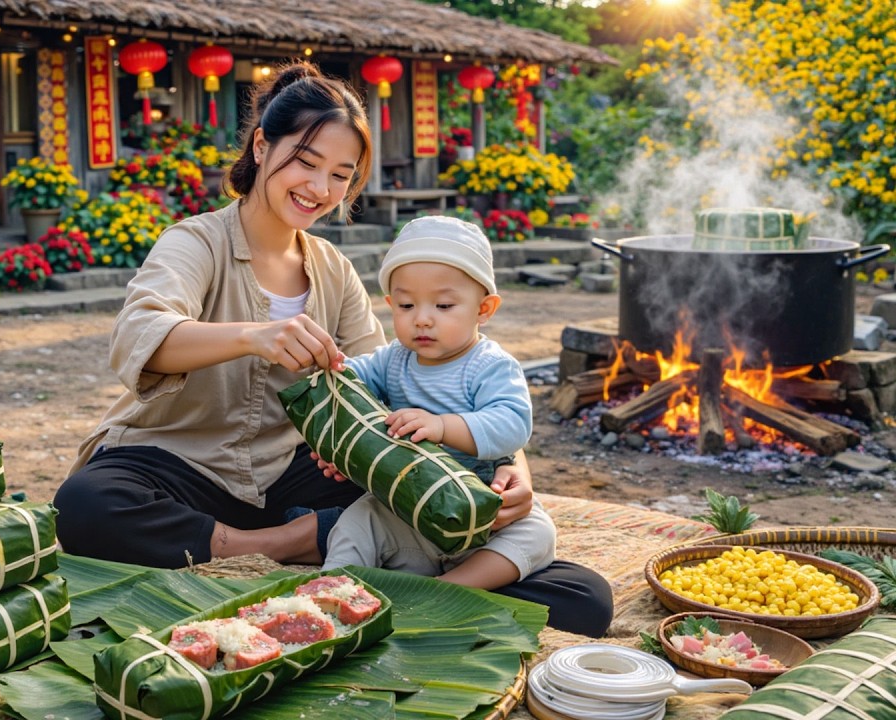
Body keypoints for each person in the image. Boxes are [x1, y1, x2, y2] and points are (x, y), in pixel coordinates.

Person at [53, 63, 612, 637]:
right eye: (305, 160)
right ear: (262, 145)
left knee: (579, 598)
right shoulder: (196, 242)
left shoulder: (333, 270)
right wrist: (253, 335)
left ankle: (365, 565)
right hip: (179, 463)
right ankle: (282, 545)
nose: (319, 189)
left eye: (341, 175)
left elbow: (395, 391)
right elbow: (137, 335)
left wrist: (509, 467)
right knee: (86, 504)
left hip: (293, 473)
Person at [320, 215, 557, 595]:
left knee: (538, 533)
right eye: (407, 305)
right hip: (410, 512)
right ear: (389, 305)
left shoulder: (489, 365)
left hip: (481, 514)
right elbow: (347, 379)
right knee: (357, 520)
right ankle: (333, 591)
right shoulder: (392, 360)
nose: (423, 319)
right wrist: (327, 366)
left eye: (444, 305)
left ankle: (447, 587)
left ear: (484, 309)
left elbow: (513, 424)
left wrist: (444, 426)